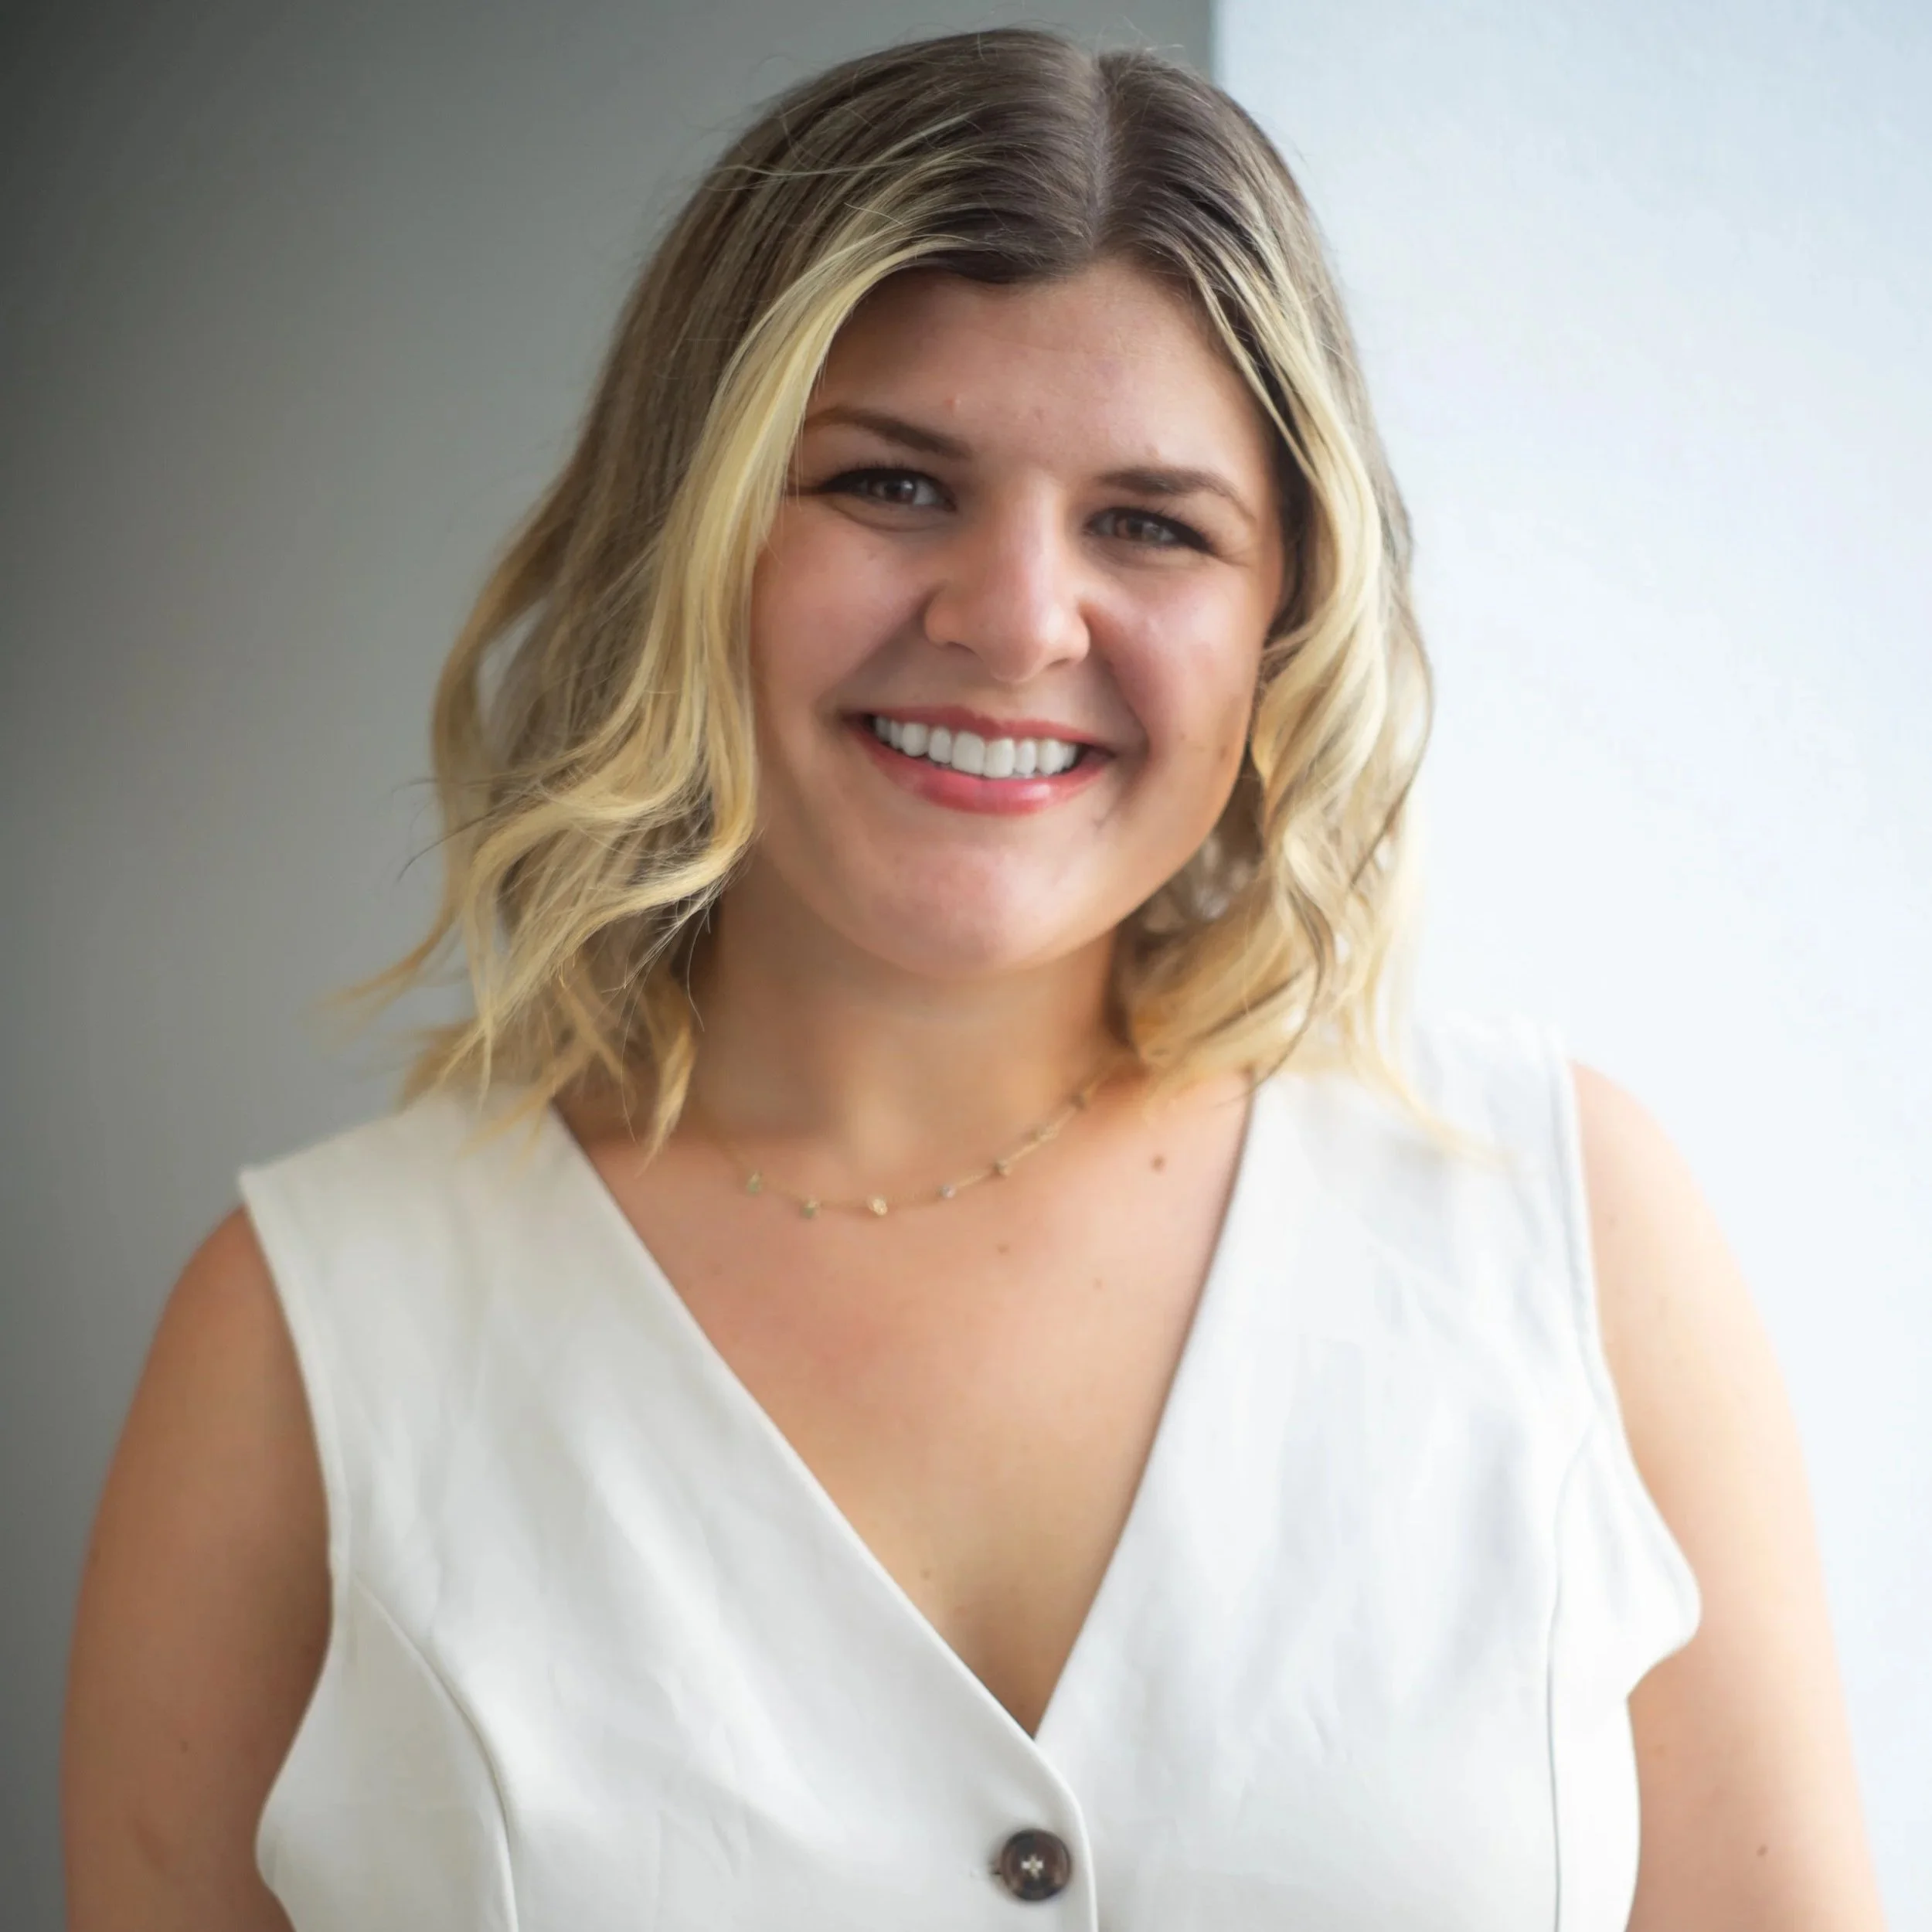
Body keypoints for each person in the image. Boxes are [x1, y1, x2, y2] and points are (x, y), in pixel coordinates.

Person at [61, 25, 1886, 1932]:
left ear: (1285, 614)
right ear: (688, 534)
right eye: (892, 486)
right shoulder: (299, 1337)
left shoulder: (1566, 1227)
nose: (1013, 621)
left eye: (1150, 523)